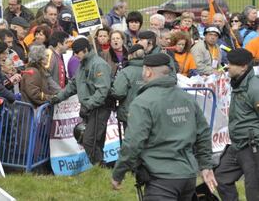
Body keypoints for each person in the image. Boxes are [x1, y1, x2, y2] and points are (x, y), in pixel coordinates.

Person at [111, 53, 217, 199]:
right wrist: (205, 166)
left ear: (147, 72)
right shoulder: (186, 98)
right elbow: (203, 133)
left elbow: (133, 142)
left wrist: (118, 173)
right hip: (188, 176)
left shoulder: (143, 102)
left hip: (161, 179)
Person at [50, 38, 111, 165]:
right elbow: (73, 85)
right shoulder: (82, 64)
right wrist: (58, 97)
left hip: (99, 107)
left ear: (85, 50)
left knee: (89, 140)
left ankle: (100, 167)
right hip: (90, 107)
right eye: (74, 53)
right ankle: (100, 168)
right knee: (94, 140)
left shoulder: (98, 64)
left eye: (78, 52)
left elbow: (102, 90)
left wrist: (88, 105)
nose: (75, 55)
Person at [214, 48, 259, 201]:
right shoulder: (238, 83)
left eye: (231, 63)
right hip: (237, 144)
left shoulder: (254, 88)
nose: (227, 66)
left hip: (252, 145)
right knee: (221, 177)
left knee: (254, 190)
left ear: (243, 67)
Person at [110, 44, 145, 130]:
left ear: (130, 56)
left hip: (130, 113)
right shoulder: (152, 69)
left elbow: (118, 92)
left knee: (132, 141)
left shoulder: (126, 72)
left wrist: (111, 90)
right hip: (149, 112)